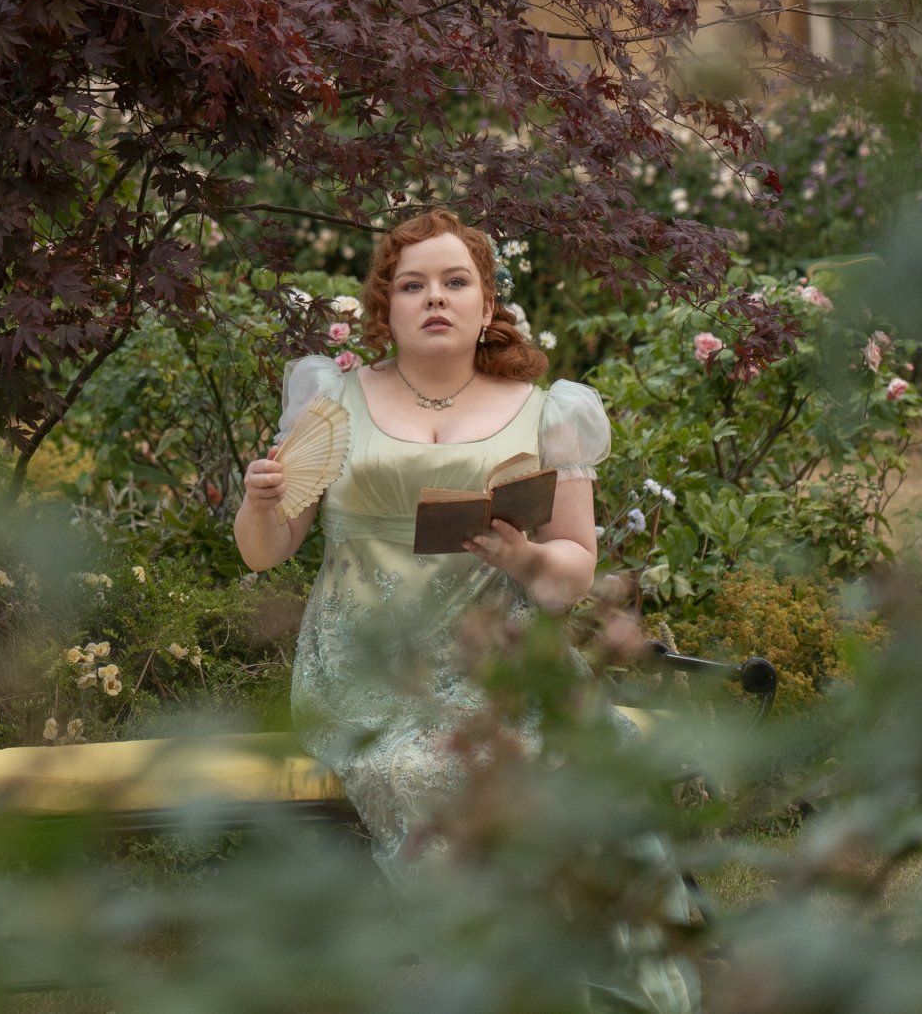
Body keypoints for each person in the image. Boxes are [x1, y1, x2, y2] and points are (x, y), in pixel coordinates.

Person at [234, 208, 695, 1012]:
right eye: (412, 285)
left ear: (488, 306)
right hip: (366, 665)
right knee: (421, 764)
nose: (434, 298)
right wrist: (260, 500)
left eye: (456, 282)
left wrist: (520, 556)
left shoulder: (549, 412)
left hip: (502, 660)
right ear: (386, 307)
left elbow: (572, 574)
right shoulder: (330, 402)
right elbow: (264, 550)